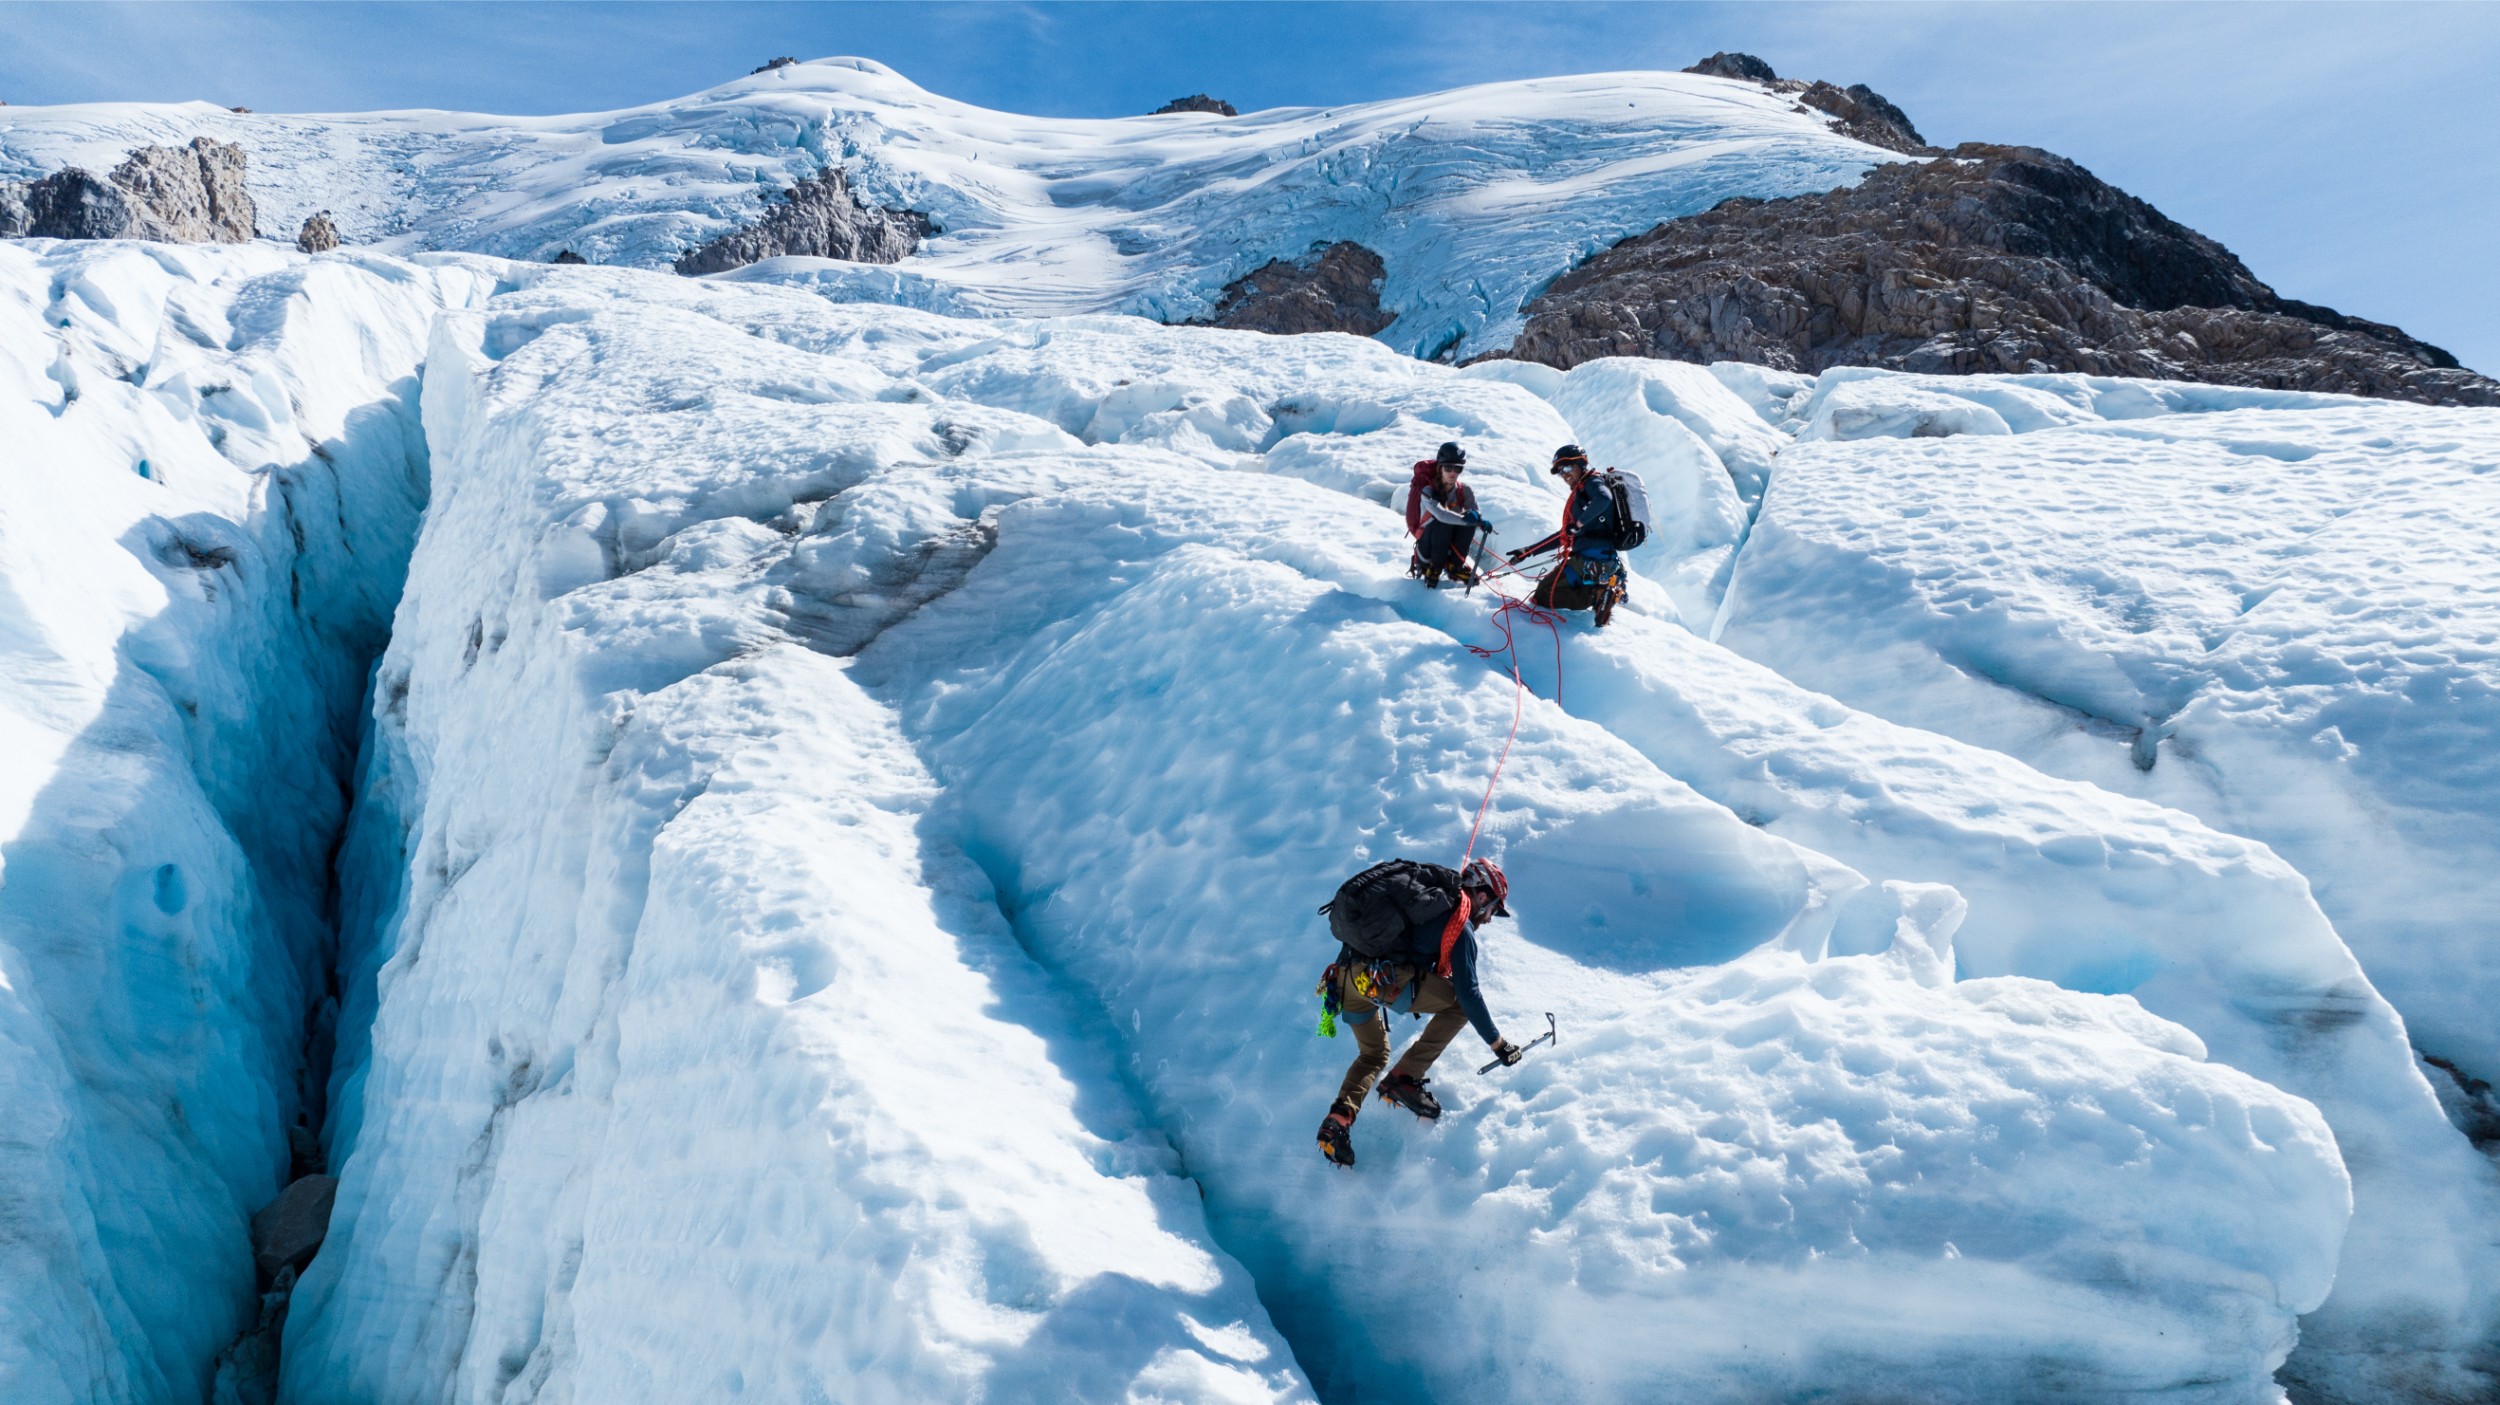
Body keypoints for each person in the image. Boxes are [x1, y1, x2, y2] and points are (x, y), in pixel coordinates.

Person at [1317, 858, 1521, 1168]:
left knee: (1373, 1054)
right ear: (1481, 895)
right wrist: (1497, 1043)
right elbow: (1469, 995)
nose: (1491, 917)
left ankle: (1338, 1119)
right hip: (1379, 980)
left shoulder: (1425, 906)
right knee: (1457, 1006)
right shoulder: (1459, 923)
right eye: (1493, 906)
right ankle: (1404, 1078)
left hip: (1346, 977)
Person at [1507, 444, 1629, 627]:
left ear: (1581, 464)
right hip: (1598, 561)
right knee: (1546, 590)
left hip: (1589, 560)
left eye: (1567, 467)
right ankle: (1605, 591)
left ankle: (1599, 596)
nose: (1563, 474)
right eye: (1559, 471)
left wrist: (1578, 524)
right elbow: (1566, 534)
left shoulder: (1592, 483)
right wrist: (1528, 551)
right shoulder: (1583, 490)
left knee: (1543, 595)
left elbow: (1604, 498)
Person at [1404, 441, 1490, 588]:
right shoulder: (1428, 491)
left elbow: (1474, 511)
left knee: (1468, 523)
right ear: (1440, 468)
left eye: (1457, 469)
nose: (1452, 472)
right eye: (1448, 468)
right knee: (1444, 522)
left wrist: (1480, 520)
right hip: (1427, 548)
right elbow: (1441, 515)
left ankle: (1455, 567)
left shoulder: (1465, 490)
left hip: (1448, 545)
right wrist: (1469, 519)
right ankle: (1434, 568)